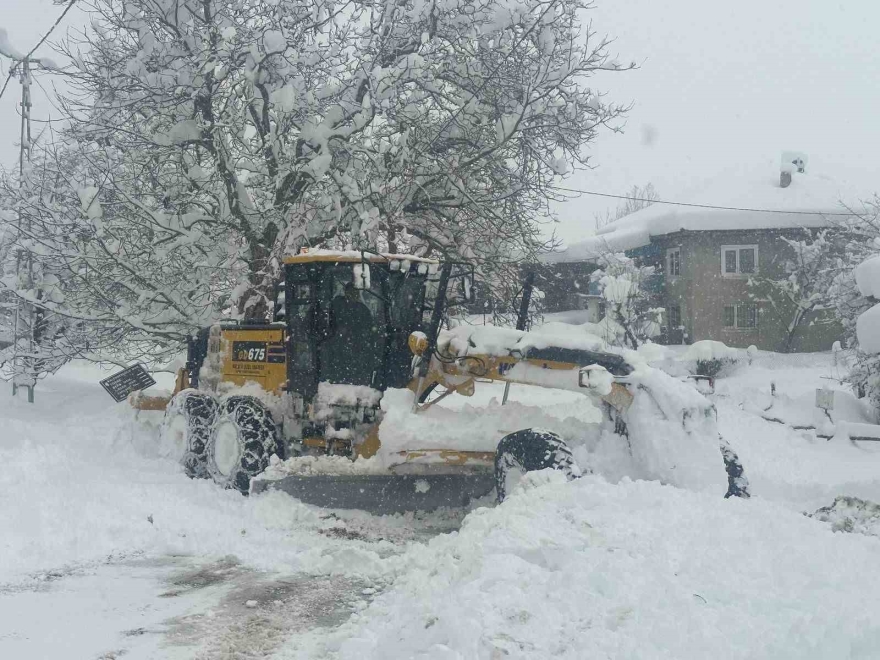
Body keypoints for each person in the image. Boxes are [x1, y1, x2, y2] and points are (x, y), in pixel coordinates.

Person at [325, 283, 379, 385]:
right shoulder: (338, 306)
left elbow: (369, 328)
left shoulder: (362, 309)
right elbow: (330, 326)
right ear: (346, 292)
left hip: (357, 348)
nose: (355, 294)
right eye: (352, 292)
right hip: (340, 349)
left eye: (356, 292)